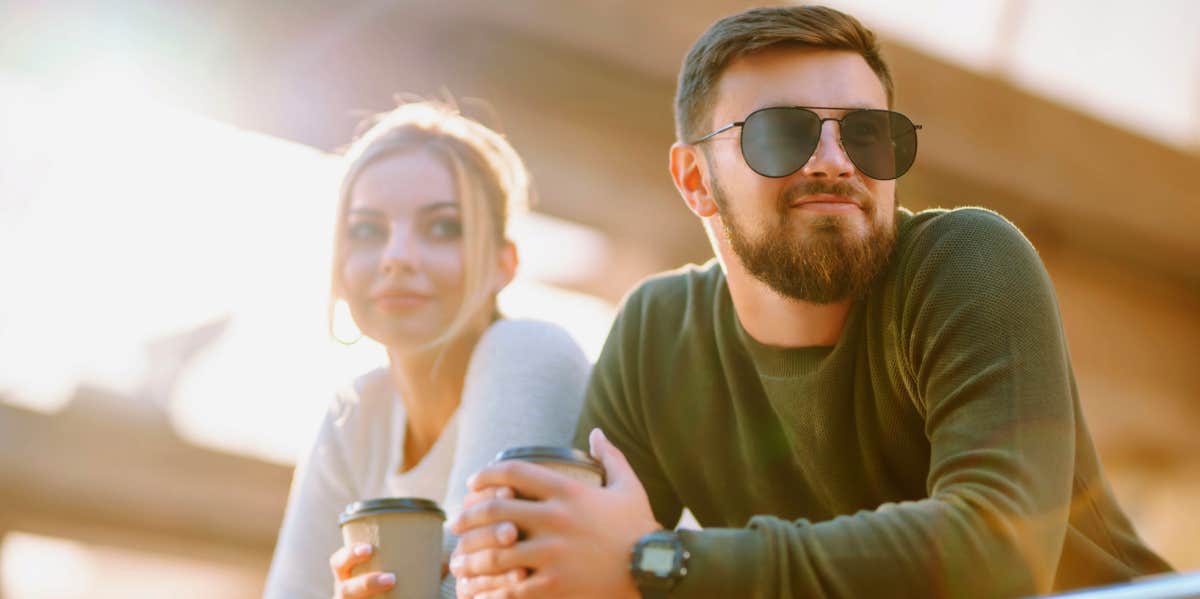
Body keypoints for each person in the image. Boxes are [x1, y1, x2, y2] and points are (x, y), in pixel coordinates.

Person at [447, 6, 1173, 598]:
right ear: (695, 178)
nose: (835, 158)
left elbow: (994, 552)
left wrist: (663, 561)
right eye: (782, 132)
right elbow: (572, 565)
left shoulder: (966, 262)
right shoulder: (657, 335)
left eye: (866, 132)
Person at [262, 100, 592, 599]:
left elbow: (469, 586)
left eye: (442, 228)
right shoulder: (352, 415)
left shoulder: (530, 352)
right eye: (368, 230)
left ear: (505, 263)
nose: (396, 258)